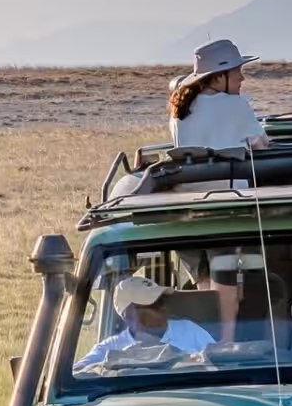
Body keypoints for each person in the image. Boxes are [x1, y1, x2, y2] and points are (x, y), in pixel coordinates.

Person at [167, 39, 270, 341]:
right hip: (226, 206)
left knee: (205, 286)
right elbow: (261, 143)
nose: (242, 78)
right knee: (228, 288)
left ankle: (206, 343)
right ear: (218, 77)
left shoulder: (182, 108)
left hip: (188, 205)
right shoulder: (234, 104)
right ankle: (225, 343)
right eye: (238, 72)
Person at [74, 276, 215, 370]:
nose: (163, 308)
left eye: (163, 301)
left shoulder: (188, 330)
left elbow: (220, 361)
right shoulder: (109, 348)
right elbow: (77, 373)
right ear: (128, 314)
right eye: (154, 304)